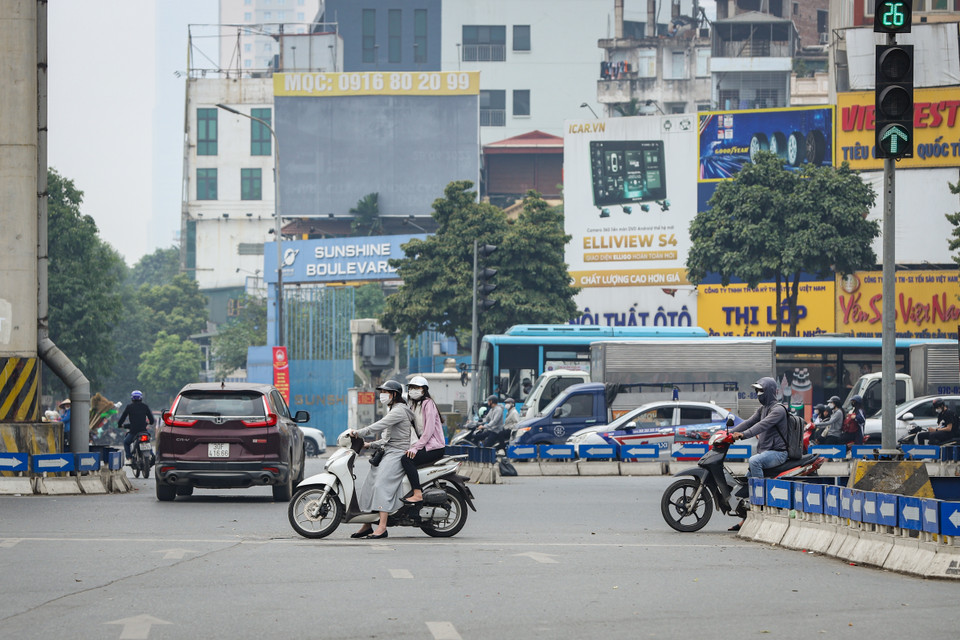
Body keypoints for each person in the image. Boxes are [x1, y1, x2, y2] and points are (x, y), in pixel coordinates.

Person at [348, 380, 415, 540]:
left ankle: (382, 526)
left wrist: (358, 432)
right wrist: (369, 445)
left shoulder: (399, 410)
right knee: (369, 484)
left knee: (381, 485)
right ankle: (367, 524)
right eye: (382, 392)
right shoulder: (393, 409)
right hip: (388, 451)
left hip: (397, 453)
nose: (382, 395)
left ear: (394, 394)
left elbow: (379, 425)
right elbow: (386, 439)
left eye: (385, 392)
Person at [729, 377, 790, 531]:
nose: (758, 394)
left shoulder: (778, 410)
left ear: (769, 391)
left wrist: (743, 435)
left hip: (778, 453)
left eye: (761, 390)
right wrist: (728, 433)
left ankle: (762, 502)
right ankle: (745, 520)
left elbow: (761, 425)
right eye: (757, 391)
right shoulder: (762, 409)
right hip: (766, 452)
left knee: (754, 461)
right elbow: (748, 422)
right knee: (746, 485)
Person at [400, 376, 446, 505]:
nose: (413, 390)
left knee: (406, 459)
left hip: (434, 447)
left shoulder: (428, 404)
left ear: (424, 390)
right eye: (411, 388)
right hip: (424, 445)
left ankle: (417, 493)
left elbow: (428, 431)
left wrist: (415, 448)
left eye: (417, 388)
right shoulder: (413, 406)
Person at [117, 390, 155, 462]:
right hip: (143, 431)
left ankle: (129, 457)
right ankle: (152, 454)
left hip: (133, 432)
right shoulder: (145, 406)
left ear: (132, 398)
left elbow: (123, 418)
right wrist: (149, 423)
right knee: (148, 442)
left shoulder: (129, 407)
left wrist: (119, 425)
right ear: (141, 398)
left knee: (126, 442)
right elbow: (152, 420)